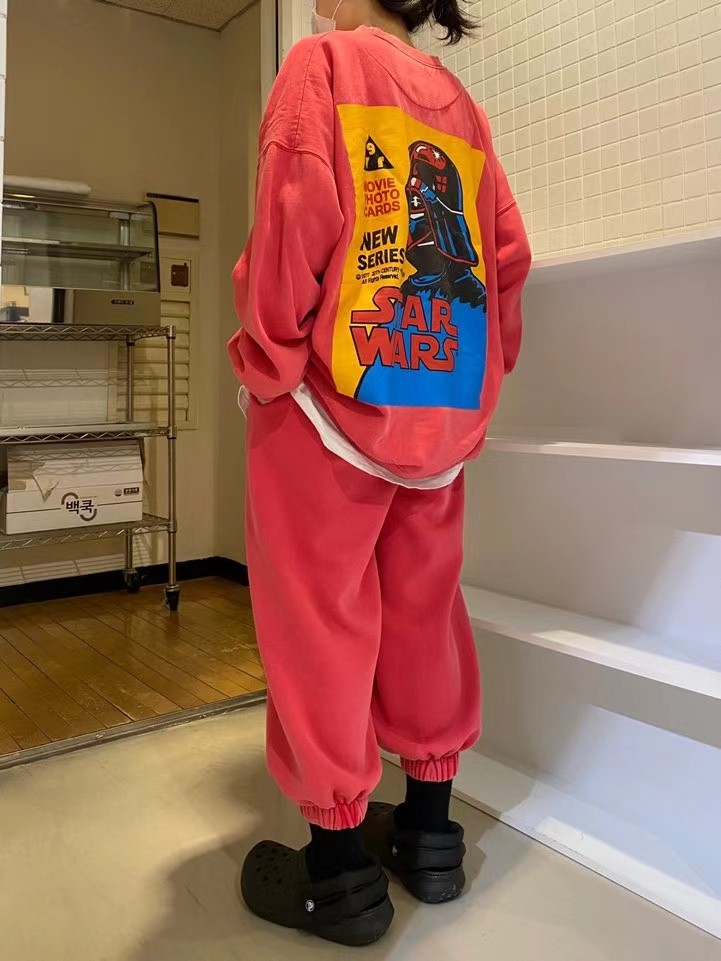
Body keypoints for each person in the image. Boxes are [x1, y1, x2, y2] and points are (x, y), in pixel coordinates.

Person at [228, 0, 531, 947]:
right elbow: (505, 259)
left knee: (318, 621)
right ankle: (430, 834)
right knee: (422, 614)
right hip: (437, 408)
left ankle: (337, 872)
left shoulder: (321, 65)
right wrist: (473, 383)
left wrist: (266, 359)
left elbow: (292, 226)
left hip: (328, 403)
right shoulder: (460, 106)